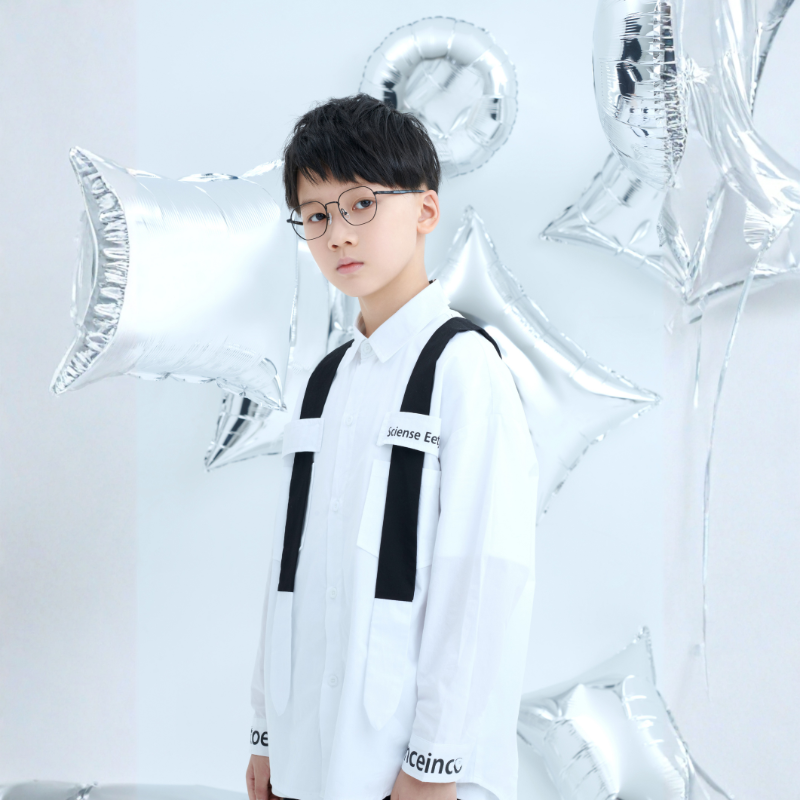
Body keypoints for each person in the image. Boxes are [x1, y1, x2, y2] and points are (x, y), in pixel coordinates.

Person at [245, 94, 538, 800]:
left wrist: (434, 761)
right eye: (317, 215)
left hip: (415, 767)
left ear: (425, 211)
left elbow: (480, 578)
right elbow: (288, 573)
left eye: (361, 205)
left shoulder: (463, 368)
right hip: (310, 757)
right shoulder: (324, 382)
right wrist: (266, 732)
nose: (338, 235)